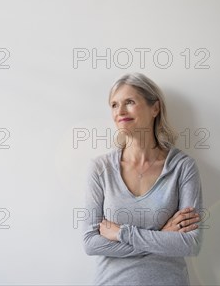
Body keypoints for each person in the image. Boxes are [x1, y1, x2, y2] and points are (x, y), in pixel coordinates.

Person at [82, 72, 204, 285]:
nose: (120, 112)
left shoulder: (182, 168)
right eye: (113, 105)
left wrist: (121, 233)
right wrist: (162, 235)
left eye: (129, 102)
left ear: (155, 108)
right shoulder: (101, 168)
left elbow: (189, 243)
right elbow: (91, 243)